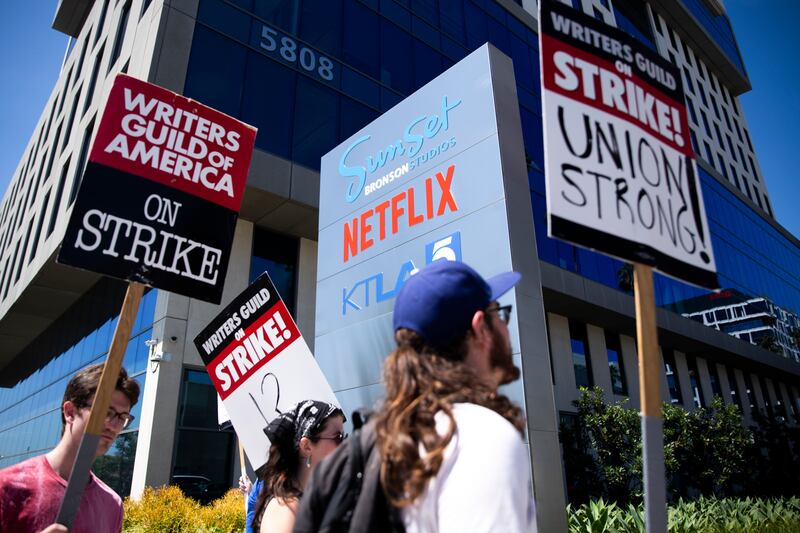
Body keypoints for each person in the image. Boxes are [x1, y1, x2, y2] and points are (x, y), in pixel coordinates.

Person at [377, 260, 535, 532]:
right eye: (499, 313)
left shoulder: (402, 438)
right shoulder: (482, 439)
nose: (505, 326)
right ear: (480, 328)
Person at [0, 363, 140, 533]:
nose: (114, 425)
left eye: (122, 417)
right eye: (105, 412)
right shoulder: (8, 487)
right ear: (70, 412)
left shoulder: (112, 504)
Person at [253, 400, 346, 533]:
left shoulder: (311, 502)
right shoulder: (284, 509)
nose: (344, 445)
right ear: (306, 446)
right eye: (338, 437)